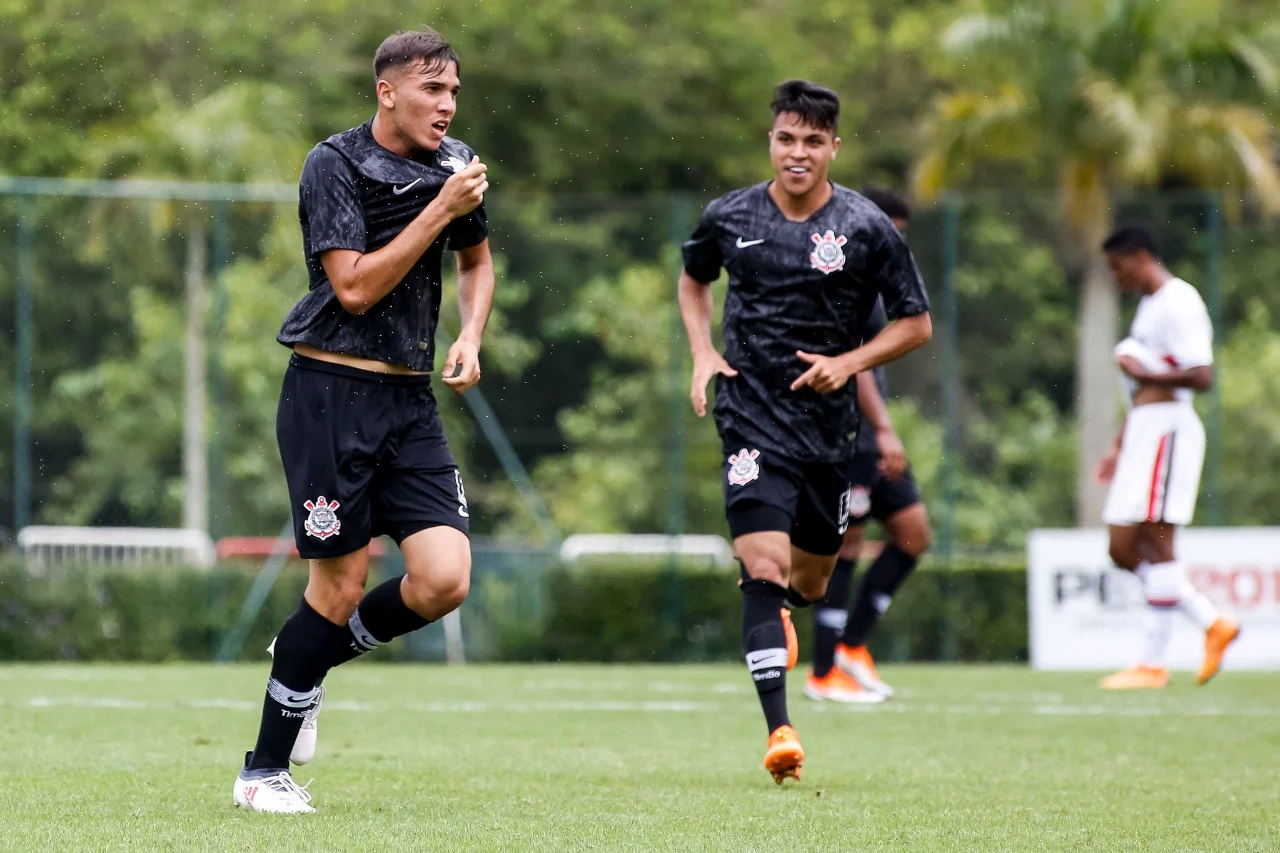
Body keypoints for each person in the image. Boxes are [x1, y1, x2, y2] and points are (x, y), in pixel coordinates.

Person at [232, 28, 494, 813]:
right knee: (340, 584)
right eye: (431, 90)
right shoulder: (334, 164)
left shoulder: (458, 163)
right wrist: (438, 210)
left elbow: (475, 260)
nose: (447, 105)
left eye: (453, 91)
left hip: (410, 401)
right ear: (388, 92)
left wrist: (472, 332)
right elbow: (352, 289)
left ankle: (304, 660)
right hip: (330, 396)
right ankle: (260, 773)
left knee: (445, 577)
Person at [678, 80, 932, 784]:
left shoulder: (866, 226)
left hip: (827, 435)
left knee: (811, 582)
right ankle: (779, 729)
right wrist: (702, 351)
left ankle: (789, 610)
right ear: (771, 141)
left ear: (833, 147)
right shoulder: (728, 215)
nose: (798, 152)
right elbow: (693, 279)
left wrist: (848, 364)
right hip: (748, 416)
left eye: (813, 141)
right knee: (762, 567)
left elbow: (917, 323)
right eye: (787, 138)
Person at [1094, 222, 1238, 690]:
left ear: (1140, 257)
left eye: (1119, 269)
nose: (1118, 279)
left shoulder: (1180, 301)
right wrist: (1120, 444)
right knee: (1121, 547)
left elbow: (1202, 376)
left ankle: (1152, 663)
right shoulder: (1150, 308)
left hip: (1169, 431)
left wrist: (1145, 369)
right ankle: (1210, 620)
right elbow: (1139, 389)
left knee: (1157, 540)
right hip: (1143, 432)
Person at [805, 187, 932, 703]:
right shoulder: (847, 277)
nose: (895, 244)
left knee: (913, 535)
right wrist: (883, 429)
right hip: (850, 432)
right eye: (891, 233)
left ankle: (851, 646)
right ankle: (822, 669)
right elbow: (850, 363)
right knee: (845, 546)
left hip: (868, 431)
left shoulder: (882, 281)